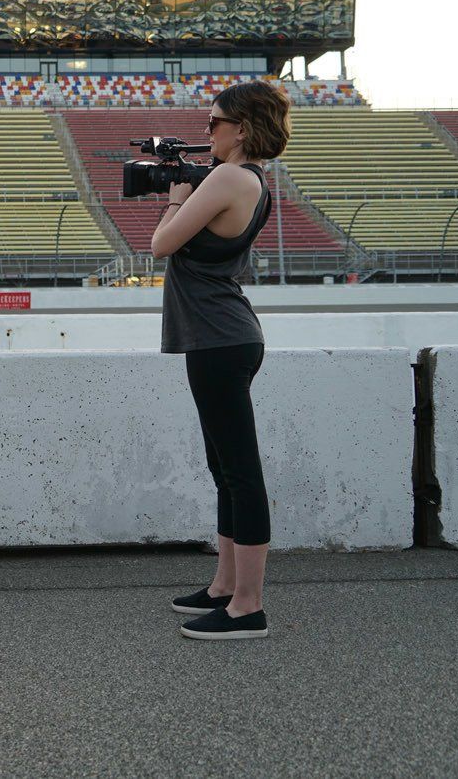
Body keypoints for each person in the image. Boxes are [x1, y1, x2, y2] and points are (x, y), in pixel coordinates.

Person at [149, 79, 290, 640]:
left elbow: (162, 244)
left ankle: (248, 607)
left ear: (240, 127)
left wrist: (178, 192)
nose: (206, 133)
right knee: (224, 469)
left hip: (219, 339)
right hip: (223, 335)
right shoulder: (252, 179)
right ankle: (224, 587)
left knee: (239, 473)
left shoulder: (231, 176)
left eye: (213, 123)